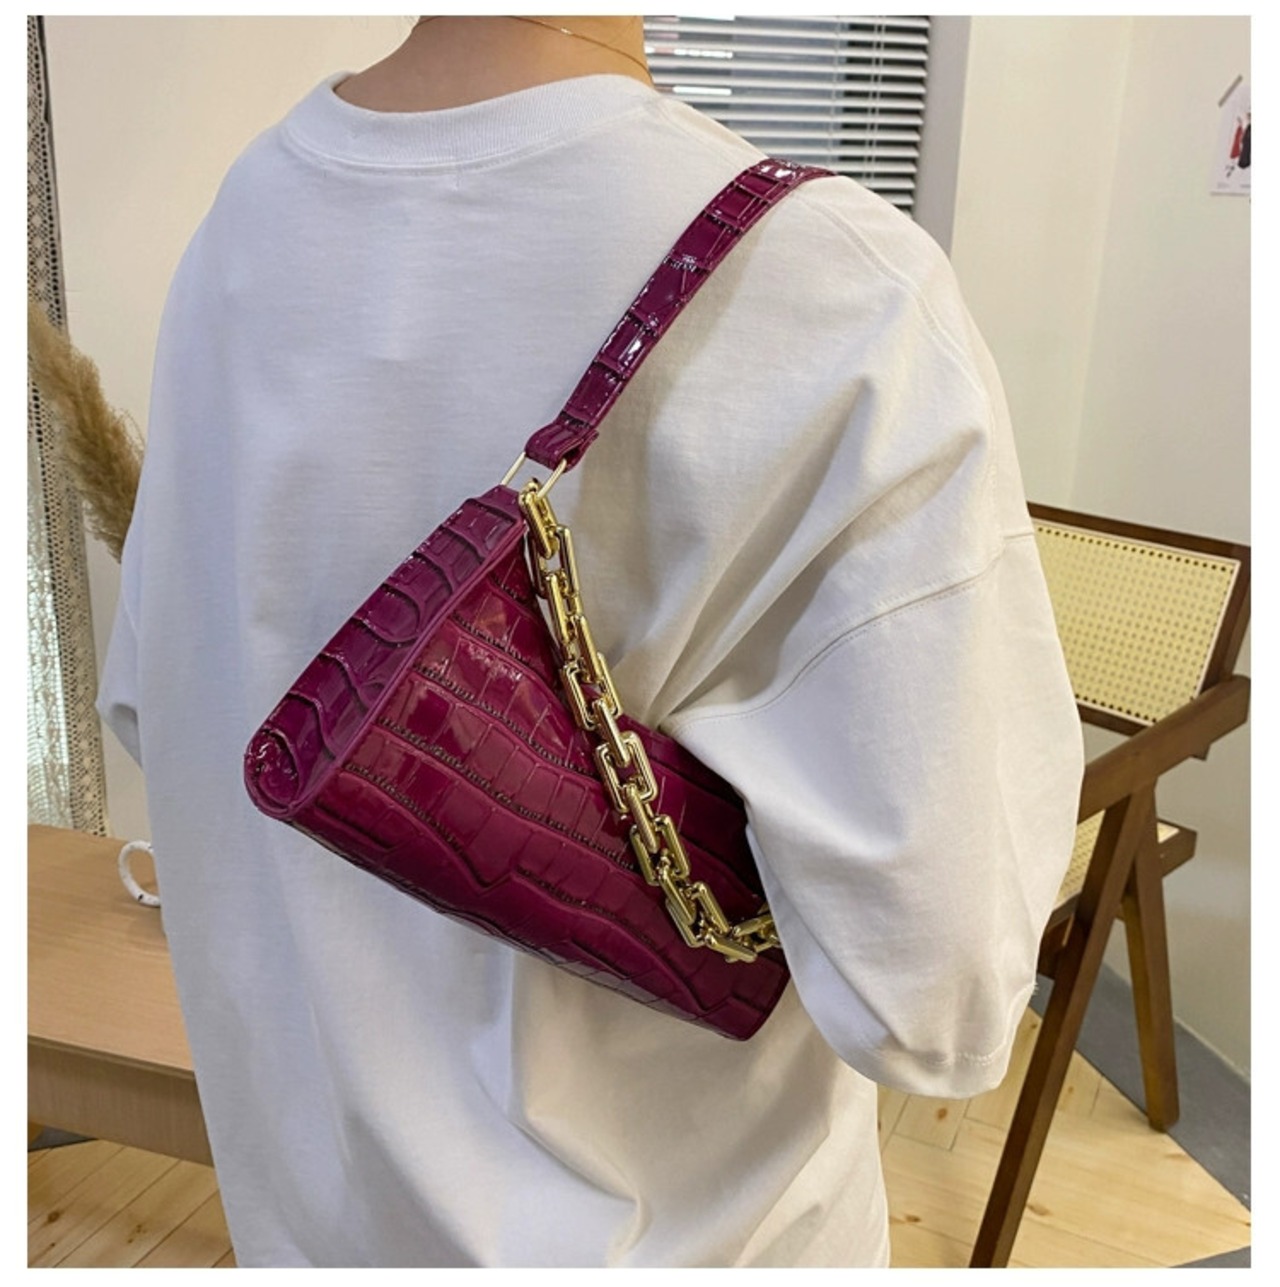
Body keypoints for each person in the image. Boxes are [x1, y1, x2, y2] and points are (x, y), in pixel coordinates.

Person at [98, 16, 1083, 1268]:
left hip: (303, 1220)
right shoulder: (837, 285)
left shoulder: (248, 215)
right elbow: (934, 1005)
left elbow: (155, 710)